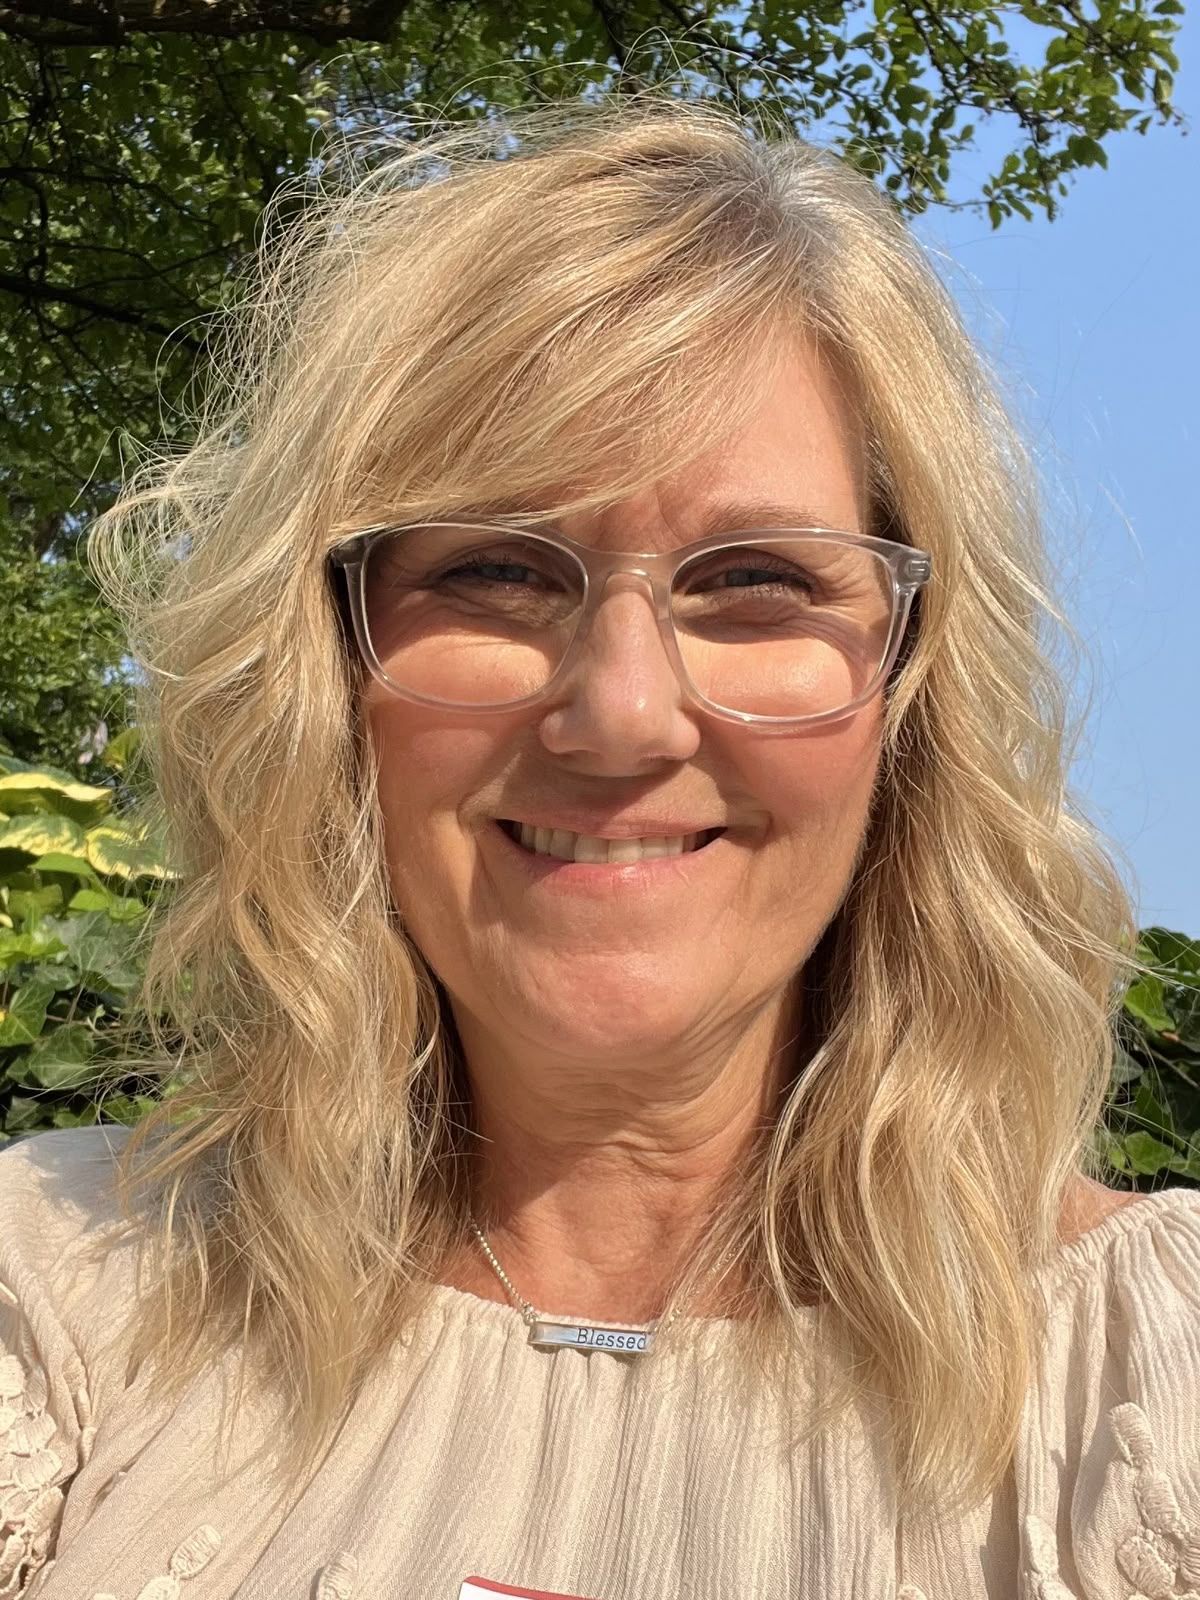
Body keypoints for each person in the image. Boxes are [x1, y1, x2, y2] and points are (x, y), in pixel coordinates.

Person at [2, 92, 1197, 1600]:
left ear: (913, 685)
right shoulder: (57, 1307)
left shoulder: (1155, 1393)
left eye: (758, 582)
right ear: (322, 664)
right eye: (496, 573)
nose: (621, 716)